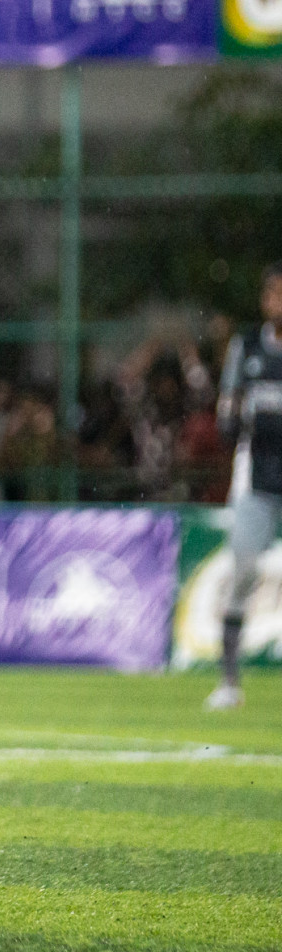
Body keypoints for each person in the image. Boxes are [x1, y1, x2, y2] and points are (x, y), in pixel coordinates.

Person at [211, 261, 282, 710]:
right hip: (258, 475)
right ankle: (228, 679)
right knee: (242, 570)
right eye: (272, 292)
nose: (276, 301)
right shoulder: (249, 346)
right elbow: (228, 412)